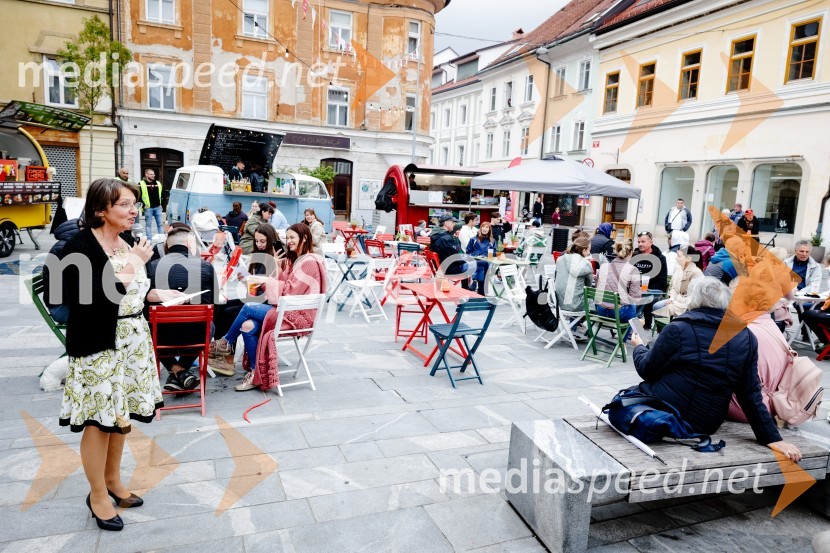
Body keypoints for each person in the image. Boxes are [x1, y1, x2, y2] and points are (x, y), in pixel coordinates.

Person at [52, 178, 170, 531]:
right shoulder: (78, 248)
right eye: (125, 204)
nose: (134, 210)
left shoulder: (129, 241)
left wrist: (154, 295)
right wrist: (135, 262)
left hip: (132, 340)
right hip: (98, 343)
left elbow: (130, 290)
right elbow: (92, 300)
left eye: (135, 203)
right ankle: (97, 494)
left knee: (121, 418)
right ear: (100, 210)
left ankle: (114, 481)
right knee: (98, 420)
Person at [629, 277, 801, 461]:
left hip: (669, 414)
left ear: (694, 300)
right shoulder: (746, 336)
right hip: (706, 422)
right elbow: (749, 393)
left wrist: (639, 347)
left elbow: (646, 369)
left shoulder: (678, 329)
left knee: (627, 398)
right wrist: (771, 437)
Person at [240, 223, 327, 391]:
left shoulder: (308, 262)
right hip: (285, 313)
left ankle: (226, 342)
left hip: (296, 317)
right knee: (247, 325)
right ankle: (254, 371)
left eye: (292, 237)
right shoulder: (295, 260)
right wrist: (277, 265)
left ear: (305, 238)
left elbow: (288, 291)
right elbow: (282, 284)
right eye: (287, 238)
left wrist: (266, 281)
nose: (289, 242)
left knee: (247, 308)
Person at [146, 225, 218, 392]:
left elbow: (143, 308)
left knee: (149, 328)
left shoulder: (151, 267)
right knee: (210, 325)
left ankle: (176, 370)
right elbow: (214, 305)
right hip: (195, 335)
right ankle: (182, 370)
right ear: (189, 243)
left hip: (161, 336)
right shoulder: (206, 267)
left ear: (167, 246)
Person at [209, 223, 283, 377]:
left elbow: (276, 288)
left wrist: (272, 268)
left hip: (266, 304)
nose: (259, 244)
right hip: (255, 299)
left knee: (230, 313)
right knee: (221, 307)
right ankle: (224, 355)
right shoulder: (257, 258)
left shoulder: (277, 258)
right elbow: (254, 290)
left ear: (270, 240)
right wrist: (245, 280)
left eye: (263, 241)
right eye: (257, 241)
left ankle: (227, 355)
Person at [595, 240, 642, 340]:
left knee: (629, 307)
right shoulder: (633, 270)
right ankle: (625, 342)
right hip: (618, 313)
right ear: (631, 253)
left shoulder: (603, 267)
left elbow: (597, 289)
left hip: (600, 310)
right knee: (633, 308)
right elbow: (636, 298)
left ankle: (640, 338)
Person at [652, 245, 703, 319]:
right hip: (676, 301)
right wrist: (672, 299)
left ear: (688, 258)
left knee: (659, 308)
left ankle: (667, 328)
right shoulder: (679, 268)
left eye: (679, 256)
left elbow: (692, 299)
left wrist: (675, 302)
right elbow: (673, 287)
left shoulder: (697, 273)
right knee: (657, 306)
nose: (676, 258)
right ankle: (663, 329)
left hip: (687, 306)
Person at [632, 231, 668, 330]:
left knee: (643, 299)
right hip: (635, 290)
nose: (640, 244)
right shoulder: (635, 255)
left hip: (652, 291)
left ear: (651, 242)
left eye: (643, 241)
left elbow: (662, 280)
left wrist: (646, 290)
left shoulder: (660, 258)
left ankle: (638, 327)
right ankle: (635, 327)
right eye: (638, 242)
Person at [555, 236, 594, 312]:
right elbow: (588, 287)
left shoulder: (560, 259)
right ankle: (581, 323)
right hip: (574, 305)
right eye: (589, 250)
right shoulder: (586, 263)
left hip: (557, 302)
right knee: (594, 301)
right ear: (584, 250)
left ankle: (574, 323)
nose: (589, 253)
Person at [430, 214, 467, 282]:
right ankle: (476, 290)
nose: (454, 224)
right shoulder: (446, 238)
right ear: (446, 223)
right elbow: (456, 257)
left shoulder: (436, 236)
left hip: (443, 268)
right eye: (452, 222)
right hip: (451, 270)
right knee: (482, 264)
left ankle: (468, 288)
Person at [465, 221, 495, 293]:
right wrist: (475, 255)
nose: (485, 229)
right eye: (483, 227)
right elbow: (468, 252)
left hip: (488, 261)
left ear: (489, 229)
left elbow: (494, 252)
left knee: (485, 265)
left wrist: (490, 255)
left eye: (487, 227)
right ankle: (482, 289)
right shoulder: (473, 239)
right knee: (481, 267)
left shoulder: (492, 241)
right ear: (480, 228)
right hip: (475, 261)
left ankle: (475, 282)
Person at [139, 168, 164, 237]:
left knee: (160, 224)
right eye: (151, 174)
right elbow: (139, 196)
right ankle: (149, 240)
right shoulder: (141, 183)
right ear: (146, 174)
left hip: (157, 207)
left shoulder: (158, 183)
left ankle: (161, 239)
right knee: (148, 225)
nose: (153, 175)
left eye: (153, 174)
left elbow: (162, 194)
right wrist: (144, 205)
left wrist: (161, 204)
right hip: (148, 208)